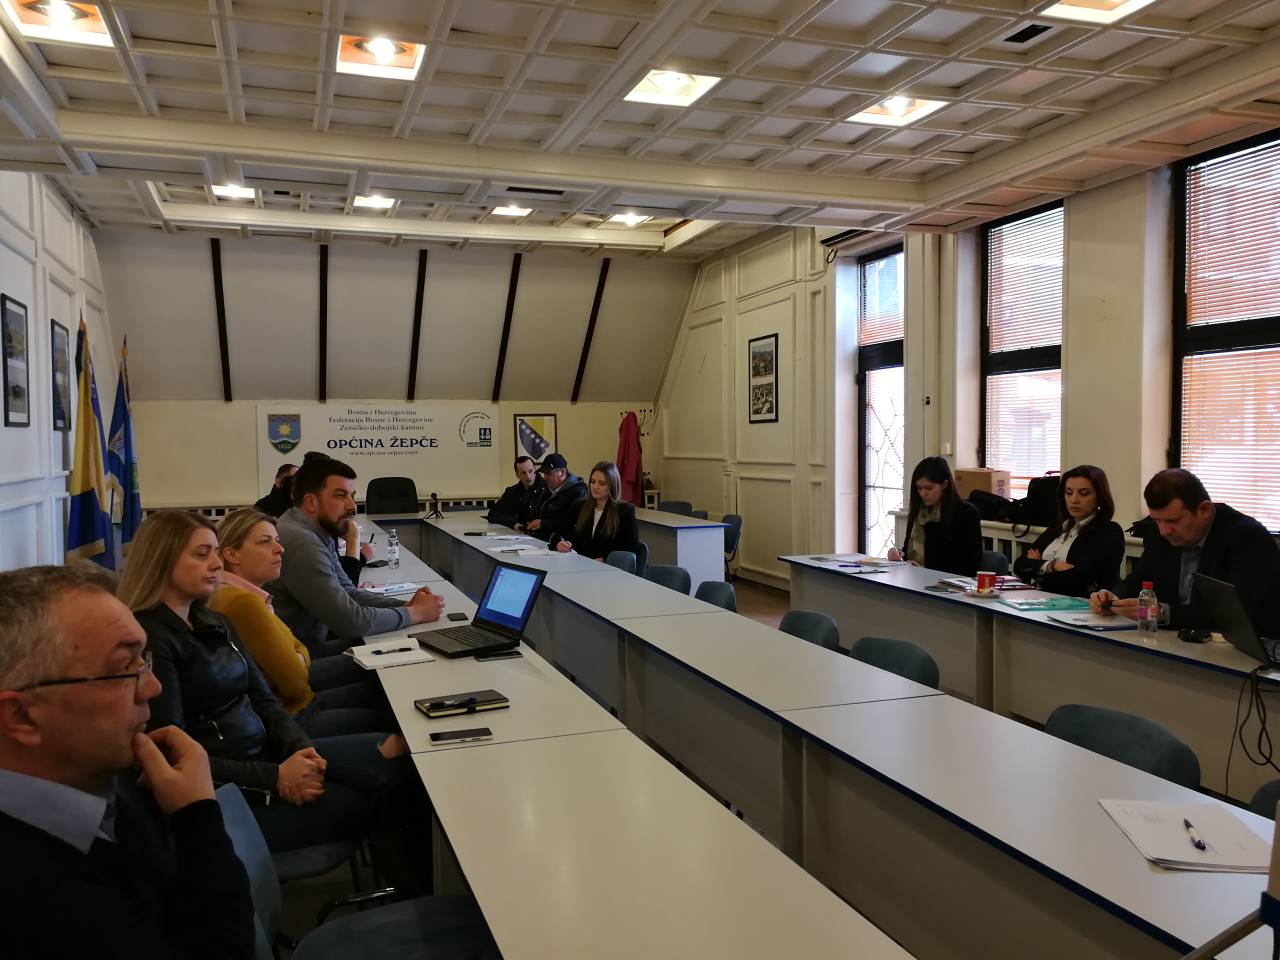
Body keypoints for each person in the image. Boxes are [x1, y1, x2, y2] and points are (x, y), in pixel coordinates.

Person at [0, 564, 253, 959]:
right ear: (23, 717)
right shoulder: (34, 902)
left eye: (143, 661)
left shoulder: (112, 781)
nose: (152, 687)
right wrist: (197, 818)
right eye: (123, 668)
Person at [119, 511, 404, 854]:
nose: (216, 563)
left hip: (268, 757)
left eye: (215, 552)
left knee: (399, 756)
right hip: (228, 796)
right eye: (202, 554)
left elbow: (264, 701)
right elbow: (170, 755)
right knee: (390, 791)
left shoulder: (214, 620)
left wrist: (300, 751)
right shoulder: (150, 639)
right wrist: (275, 778)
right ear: (161, 560)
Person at [212, 509, 399, 738]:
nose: (280, 548)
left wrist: (298, 656)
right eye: (265, 542)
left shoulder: (244, 594)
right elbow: (296, 684)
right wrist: (298, 657)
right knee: (393, 714)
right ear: (232, 555)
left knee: (382, 687)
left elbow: (297, 648)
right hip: (292, 716)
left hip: (289, 707)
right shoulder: (243, 603)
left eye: (277, 540)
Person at [269, 457, 443, 657]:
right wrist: (416, 613)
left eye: (352, 496)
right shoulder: (302, 541)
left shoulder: (315, 530)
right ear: (311, 502)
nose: (352, 505)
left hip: (307, 648)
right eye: (340, 495)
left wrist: (406, 605)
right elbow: (351, 622)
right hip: (297, 660)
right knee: (403, 659)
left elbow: (348, 592)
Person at [1090, 469, 1280, 636]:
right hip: (1174, 641)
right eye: (1157, 520)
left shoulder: (1247, 537)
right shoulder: (1160, 534)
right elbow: (1140, 578)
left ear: (1204, 510)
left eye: (1173, 521)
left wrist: (1164, 613)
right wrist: (1113, 597)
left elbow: (1241, 613)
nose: (1164, 531)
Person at [1013, 465, 1125, 597]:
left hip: (1080, 604)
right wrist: (1053, 566)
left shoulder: (1109, 531)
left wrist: (1037, 568)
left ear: (1099, 496)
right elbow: (1019, 565)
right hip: (1041, 600)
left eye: (1084, 494)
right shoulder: (1058, 527)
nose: (1074, 500)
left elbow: (1079, 580)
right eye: (1069, 493)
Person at [888, 456, 982, 576]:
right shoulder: (919, 510)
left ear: (945, 484)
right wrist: (897, 554)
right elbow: (910, 554)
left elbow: (970, 566)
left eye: (929, 488)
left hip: (945, 582)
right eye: (919, 488)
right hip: (913, 577)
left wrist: (926, 570)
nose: (923, 494)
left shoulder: (966, 514)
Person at [555, 461, 639, 561]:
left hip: (607, 566)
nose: (595, 487)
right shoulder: (579, 506)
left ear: (612, 485)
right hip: (578, 562)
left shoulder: (625, 511)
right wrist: (559, 543)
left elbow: (629, 548)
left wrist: (605, 558)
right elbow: (561, 532)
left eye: (602, 483)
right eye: (593, 482)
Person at [524, 453, 588, 542]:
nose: (545, 478)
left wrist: (543, 524)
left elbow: (572, 524)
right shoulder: (548, 489)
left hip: (563, 543)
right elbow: (540, 513)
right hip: (544, 540)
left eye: (548, 474)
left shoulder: (579, 491)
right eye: (544, 474)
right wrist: (532, 523)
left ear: (562, 472)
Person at [487, 456, 546, 528]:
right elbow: (492, 514)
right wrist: (513, 523)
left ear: (535, 470)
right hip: (520, 532)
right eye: (523, 473)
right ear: (517, 475)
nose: (528, 476)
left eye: (530, 471)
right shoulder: (512, 491)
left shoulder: (548, 488)